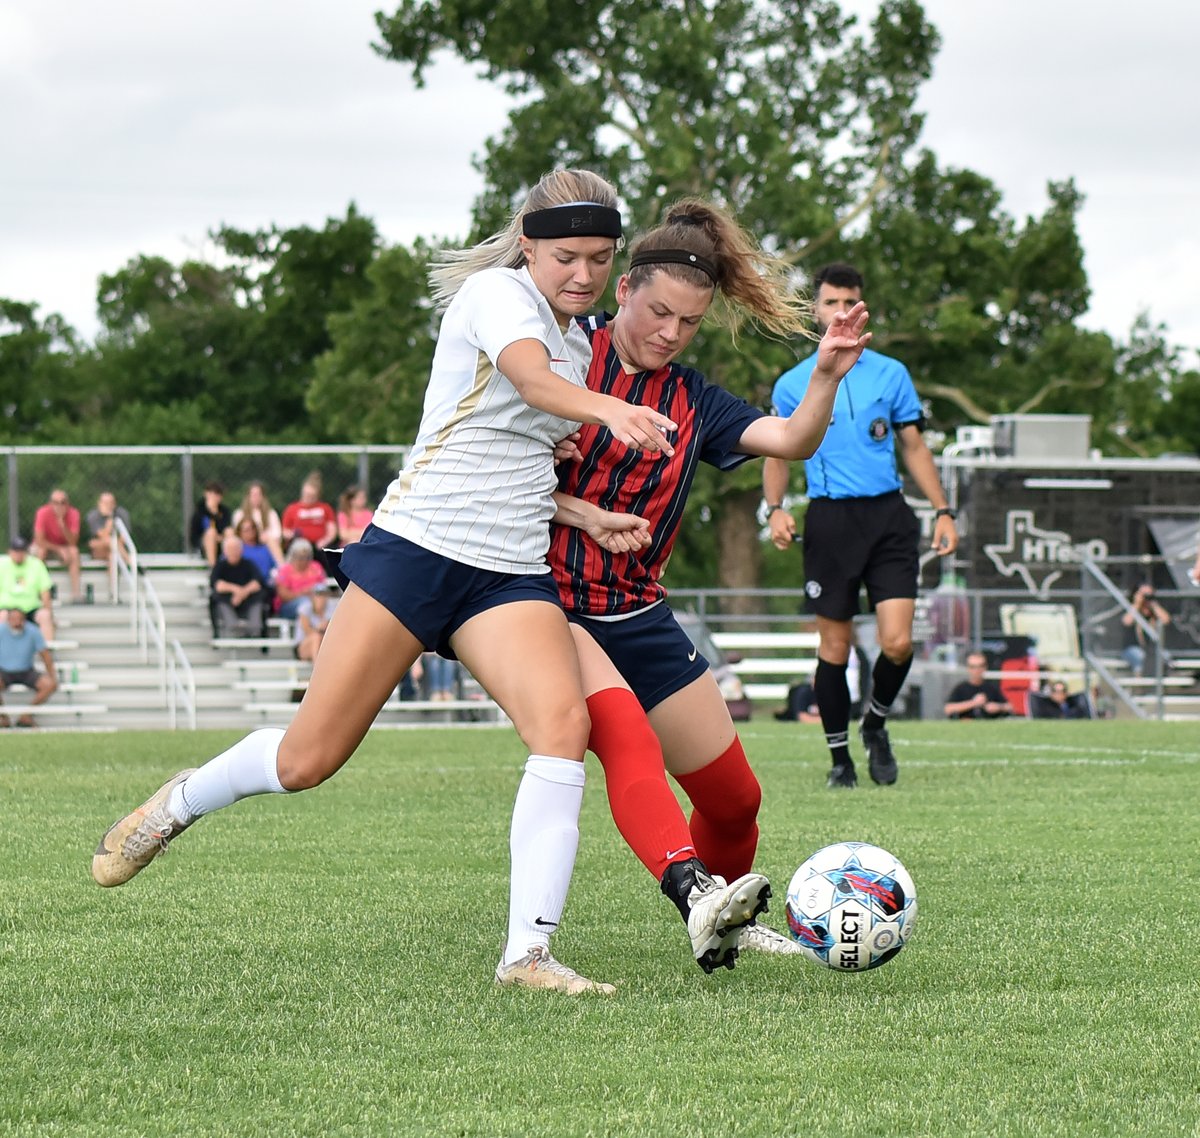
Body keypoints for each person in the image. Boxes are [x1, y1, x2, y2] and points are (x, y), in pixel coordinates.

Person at [89, 169, 739, 998]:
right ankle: (176, 804)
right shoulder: (497, 298)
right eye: (567, 257)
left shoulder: (580, 343)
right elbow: (533, 382)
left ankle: (527, 956)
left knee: (560, 729)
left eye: (600, 260)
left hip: (508, 574)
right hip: (417, 552)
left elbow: (518, 461)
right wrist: (606, 411)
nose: (583, 276)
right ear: (530, 246)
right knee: (307, 760)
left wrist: (584, 516)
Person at [548, 198, 869, 958]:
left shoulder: (693, 400)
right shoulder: (557, 358)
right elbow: (495, 471)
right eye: (658, 311)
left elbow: (790, 438)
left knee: (735, 800)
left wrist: (824, 374)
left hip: (637, 613)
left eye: (688, 323)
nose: (669, 332)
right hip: (541, 605)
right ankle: (690, 889)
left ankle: (721, 927)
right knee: (624, 731)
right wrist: (583, 513)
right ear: (622, 290)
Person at [764, 261, 959, 789]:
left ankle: (875, 723)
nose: (840, 311)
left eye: (849, 302)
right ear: (816, 309)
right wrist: (775, 507)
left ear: (862, 307)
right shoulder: (791, 383)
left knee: (897, 643)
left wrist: (942, 510)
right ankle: (839, 761)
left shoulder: (890, 373)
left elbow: (913, 445)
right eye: (830, 302)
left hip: (889, 515)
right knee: (835, 647)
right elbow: (776, 451)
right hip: (830, 518)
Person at [0, 607, 58, 728]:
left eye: (19, 619)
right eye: (13, 619)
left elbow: (45, 655)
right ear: (8, 620)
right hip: (4, 671)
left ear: (24, 620)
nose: (17, 622)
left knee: (50, 684)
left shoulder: (33, 631)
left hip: (26, 671)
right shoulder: (1, 630)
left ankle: (26, 715)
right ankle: (3, 717)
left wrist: (52, 675)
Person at [31, 488, 84, 603]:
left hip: (65, 548)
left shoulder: (74, 514)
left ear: (67, 503)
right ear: (50, 503)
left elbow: (73, 542)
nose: (59, 506)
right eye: (55, 502)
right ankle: (35, 592)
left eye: (63, 502)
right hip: (47, 546)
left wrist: (63, 525)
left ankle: (76, 594)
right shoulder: (42, 513)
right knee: (41, 552)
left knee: (74, 552)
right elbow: (39, 540)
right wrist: (59, 549)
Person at [210, 534, 267, 639]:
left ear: (241, 550)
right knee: (217, 598)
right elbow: (217, 585)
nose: (233, 552)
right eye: (230, 549)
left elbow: (257, 583)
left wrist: (242, 593)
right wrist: (236, 590)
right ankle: (233, 627)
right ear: (225, 551)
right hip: (228, 600)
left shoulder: (249, 564)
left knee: (260, 596)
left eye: (236, 548)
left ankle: (255, 629)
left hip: (248, 599)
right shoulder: (220, 566)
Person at [0, 535, 56, 642]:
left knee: (45, 616)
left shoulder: (36, 565)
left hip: (30, 609)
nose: (19, 554)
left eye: (21, 551)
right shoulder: (1, 565)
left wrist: (49, 613)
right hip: (7, 609)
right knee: (2, 616)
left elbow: (45, 592)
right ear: (10, 552)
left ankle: (47, 653)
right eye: (16, 551)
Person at [281, 474, 337, 568]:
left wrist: (325, 540)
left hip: (320, 544)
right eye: (307, 495)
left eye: (312, 496)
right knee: (301, 549)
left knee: (331, 553)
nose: (309, 498)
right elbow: (285, 531)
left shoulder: (325, 508)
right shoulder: (292, 509)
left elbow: (332, 531)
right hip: (300, 543)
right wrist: (292, 534)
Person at [1121, 583, 1171, 676]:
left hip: (1152, 649)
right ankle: (1140, 684)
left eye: (1149, 594)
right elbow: (1127, 621)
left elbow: (1166, 620)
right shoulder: (1132, 609)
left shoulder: (1154, 611)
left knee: (1165, 655)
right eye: (1144, 594)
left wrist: (1154, 605)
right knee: (1140, 656)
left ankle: (1161, 684)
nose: (1146, 597)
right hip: (1132, 648)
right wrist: (1137, 603)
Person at [943, 652, 1012, 719]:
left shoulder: (991, 688)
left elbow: (1009, 707)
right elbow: (948, 709)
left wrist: (998, 707)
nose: (977, 670)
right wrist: (973, 703)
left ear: (985, 667)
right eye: (973, 667)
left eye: (980, 666)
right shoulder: (961, 688)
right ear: (968, 668)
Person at [232, 482, 285, 566]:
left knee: (272, 540)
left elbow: (277, 533)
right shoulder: (239, 513)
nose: (256, 498)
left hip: (265, 543)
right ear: (248, 497)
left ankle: (282, 568)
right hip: (245, 543)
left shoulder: (271, 513)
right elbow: (237, 532)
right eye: (253, 495)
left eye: (258, 494)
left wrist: (264, 536)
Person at [272, 539, 327, 621]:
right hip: (289, 605)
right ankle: (313, 630)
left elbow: (322, 589)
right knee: (306, 605)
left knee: (322, 594)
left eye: (307, 557)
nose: (304, 560)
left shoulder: (316, 567)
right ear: (293, 556)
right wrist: (303, 592)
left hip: (316, 601)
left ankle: (320, 626)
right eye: (300, 557)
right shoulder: (285, 570)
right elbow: (283, 596)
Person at [86, 490, 133, 583]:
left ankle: (113, 593)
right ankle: (131, 563)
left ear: (115, 504)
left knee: (112, 556)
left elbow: (124, 539)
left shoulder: (122, 514)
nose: (108, 505)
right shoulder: (93, 516)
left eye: (110, 503)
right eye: (105, 503)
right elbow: (103, 536)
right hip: (99, 550)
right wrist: (110, 517)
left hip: (117, 549)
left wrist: (112, 544)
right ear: (99, 503)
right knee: (106, 541)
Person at [189, 482, 233, 568]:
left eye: (218, 494)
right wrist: (210, 511)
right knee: (211, 532)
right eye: (212, 494)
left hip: (222, 542)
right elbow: (195, 535)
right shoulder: (199, 511)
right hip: (205, 545)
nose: (215, 497)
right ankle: (213, 568)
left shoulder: (224, 511)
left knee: (229, 531)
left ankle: (230, 565)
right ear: (206, 494)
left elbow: (226, 527)